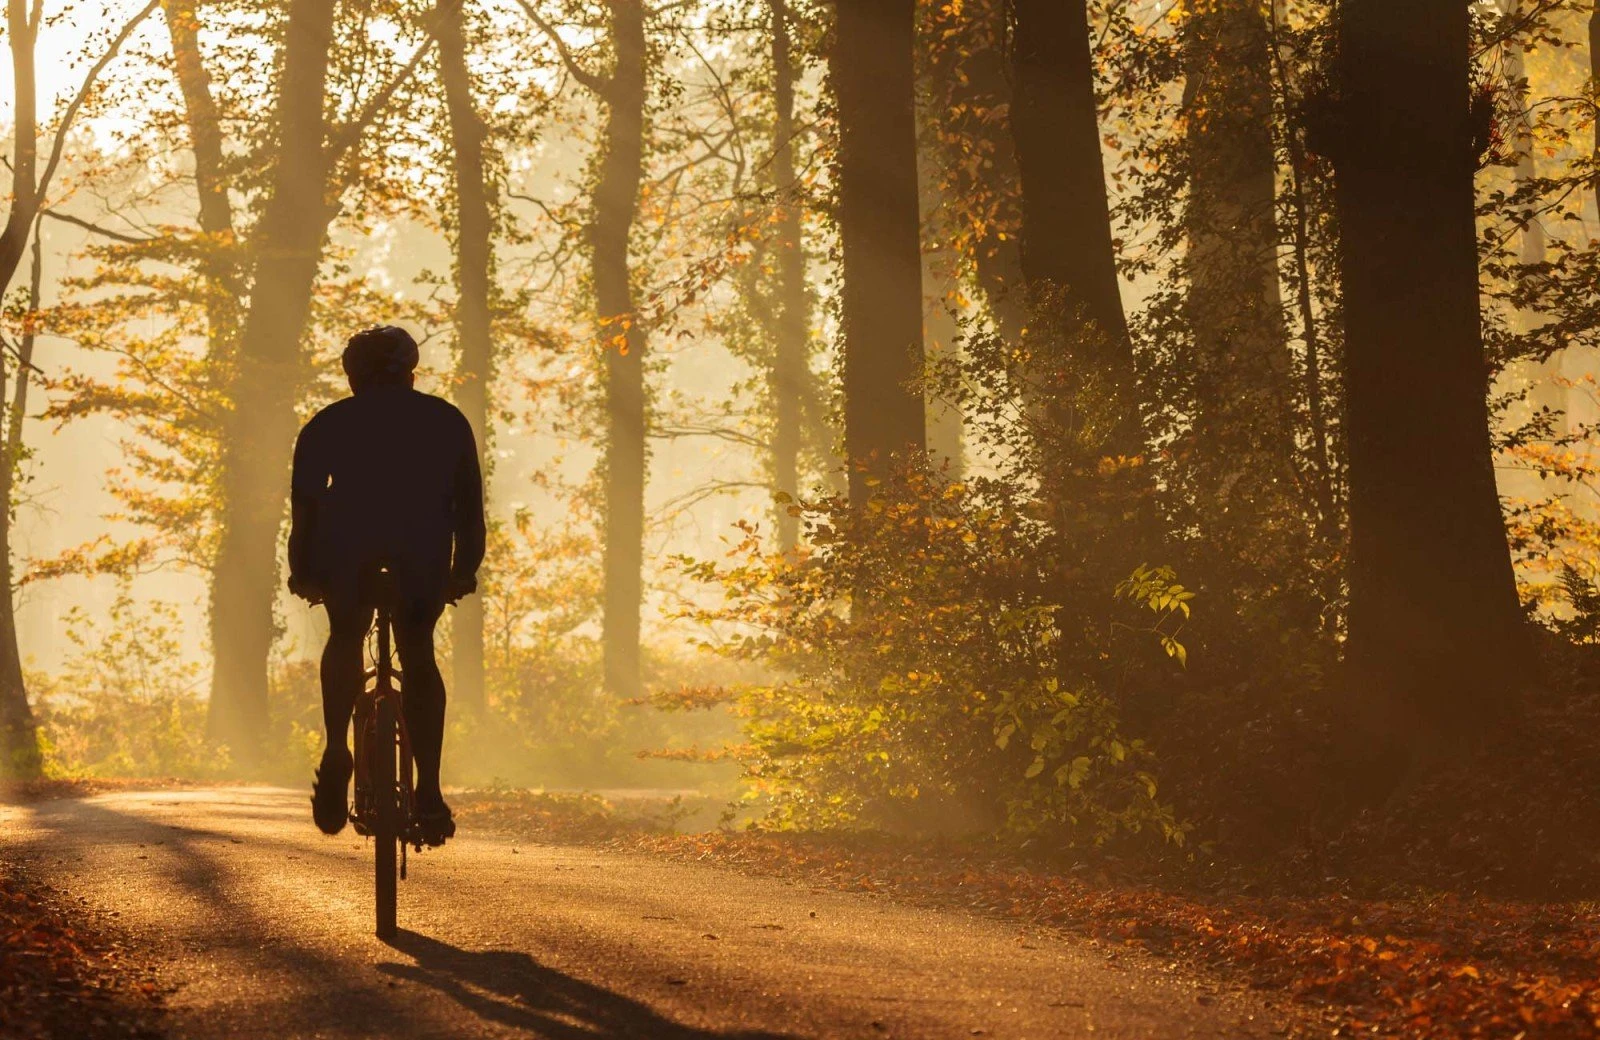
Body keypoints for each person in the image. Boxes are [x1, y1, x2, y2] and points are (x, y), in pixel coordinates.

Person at [286, 325, 485, 845]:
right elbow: (469, 508)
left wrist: (304, 571)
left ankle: (337, 748)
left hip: (346, 551)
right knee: (418, 651)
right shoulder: (445, 420)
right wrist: (464, 569)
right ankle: (429, 789)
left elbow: (306, 509)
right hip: (422, 551)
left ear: (353, 379)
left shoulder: (328, 424)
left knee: (345, 636)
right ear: (410, 375)